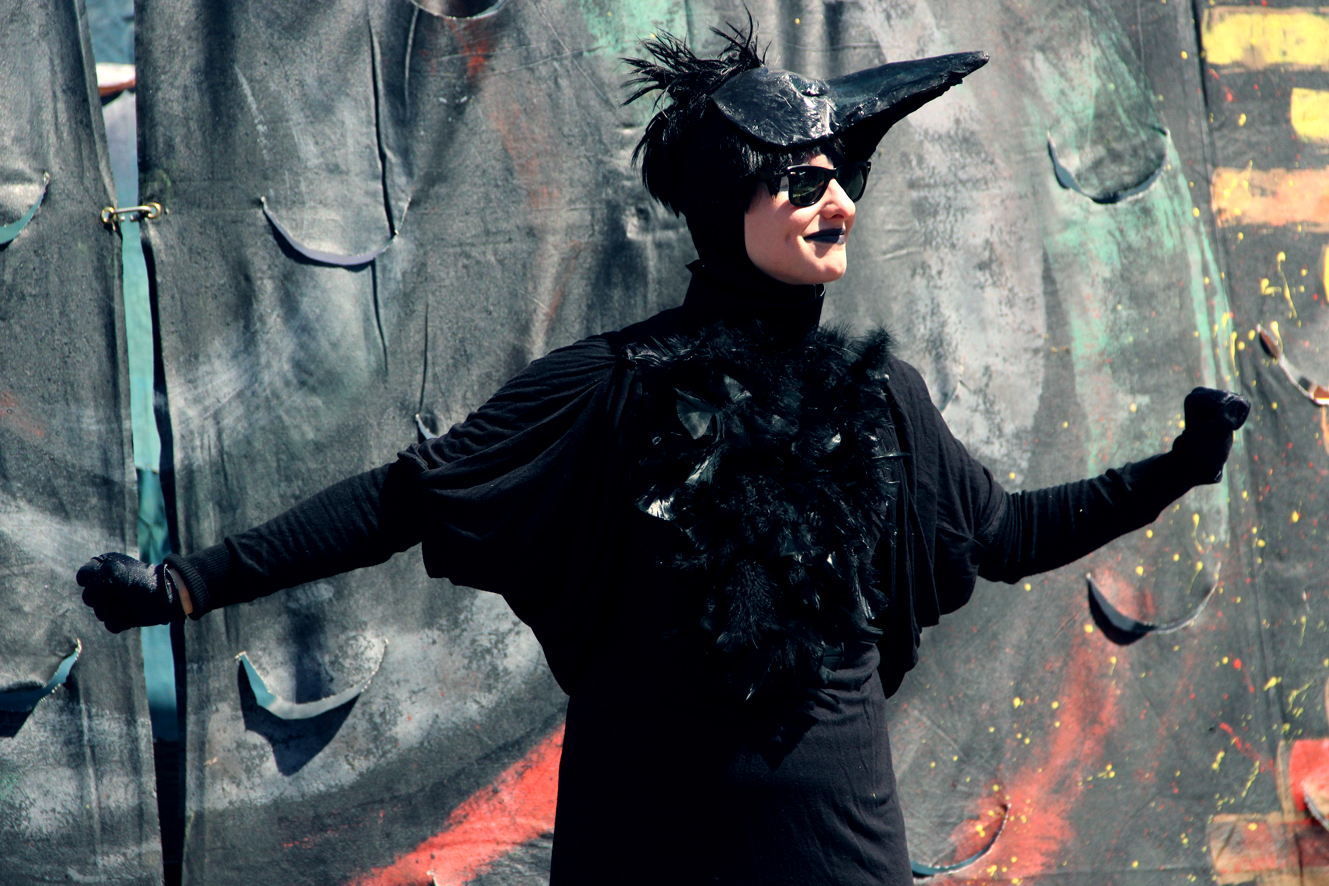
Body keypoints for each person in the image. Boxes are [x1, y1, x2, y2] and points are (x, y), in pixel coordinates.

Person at [78, 23, 1249, 885]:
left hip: (834, 849)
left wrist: (1176, 467)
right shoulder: (613, 387)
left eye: (845, 177)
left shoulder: (878, 399)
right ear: (730, 199)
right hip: (648, 845)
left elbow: (1007, 535)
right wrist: (188, 584)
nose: (838, 203)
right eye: (803, 179)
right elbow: (402, 503)